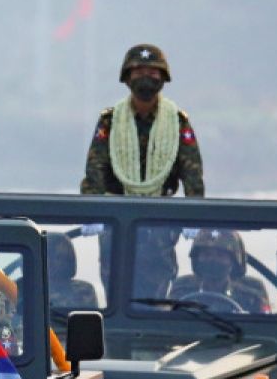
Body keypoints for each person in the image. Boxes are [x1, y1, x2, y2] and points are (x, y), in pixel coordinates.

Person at [80, 44, 205, 299]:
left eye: (153, 72)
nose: (146, 77)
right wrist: (91, 208)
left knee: (157, 284)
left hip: (160, 218)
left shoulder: (177, 122)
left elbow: (192, 171)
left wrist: (195, 212)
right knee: (114, 280)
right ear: (127, 77)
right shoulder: (111, 121)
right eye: (138, 71)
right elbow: (95, 167)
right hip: (116, 218)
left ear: (163, 78)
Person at [169, 229, 271, 314]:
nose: (213, 260)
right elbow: (169, 323)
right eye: (207, 254)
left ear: (233, 261)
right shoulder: (181, 288)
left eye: (221, 255)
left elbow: (266, 328)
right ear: (197, 259)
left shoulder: (252, 292)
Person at [46, 233, 98, 309]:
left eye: (59, 257)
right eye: (48, 256)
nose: (51, 262)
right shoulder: (26, 287)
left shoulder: (84, 290)